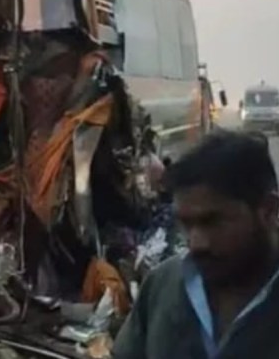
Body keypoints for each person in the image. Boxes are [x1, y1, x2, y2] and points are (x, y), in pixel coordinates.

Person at [113, 130, 279, 359]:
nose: (197, 243)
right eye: (186, 224)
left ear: (269, 210)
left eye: (213, 221)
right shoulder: (162, 285)